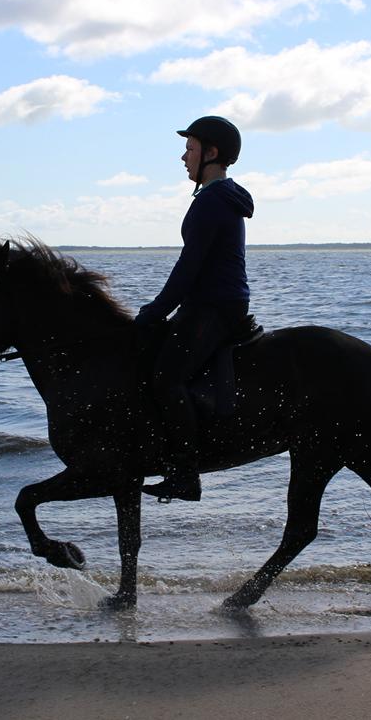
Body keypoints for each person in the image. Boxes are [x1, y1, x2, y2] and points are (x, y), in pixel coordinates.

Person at [135, 116, 254, 502]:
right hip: (216, 301)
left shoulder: (212, 201)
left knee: (166, 379)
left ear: (211, 153)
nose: (183, 157)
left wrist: (155, 310)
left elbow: (190, 266)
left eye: (190, 149)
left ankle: (186, 474)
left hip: (214, 306)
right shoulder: (220, 196)